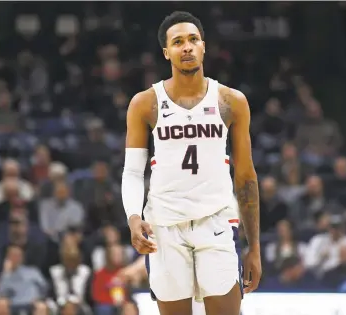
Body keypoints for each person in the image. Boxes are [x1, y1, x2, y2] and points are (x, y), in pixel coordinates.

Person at [121, 11, 261, 315]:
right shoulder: (145, 103)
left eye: (193, 40)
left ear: (204, 46)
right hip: (164, 225)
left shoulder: (230, 101)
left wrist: (254, 248)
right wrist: (133, 217)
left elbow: (246, 176)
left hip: (216, 221)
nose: (186, 47)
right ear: (166, 52)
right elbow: (133, 171)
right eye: (178, 42)